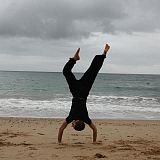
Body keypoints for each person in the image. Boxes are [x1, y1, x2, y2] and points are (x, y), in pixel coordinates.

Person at [58, 44, 110, 144]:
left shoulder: (85, 118)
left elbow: (94, 129)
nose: (71, 125)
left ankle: (103, 54)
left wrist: (94, 141)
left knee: (93, 71)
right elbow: (61, 129)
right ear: (76, 122)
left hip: (84, 91)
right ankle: (74, 59)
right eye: (73, 125)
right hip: (76, 92)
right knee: (66, 72)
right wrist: (59, 142)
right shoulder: (71, 117)